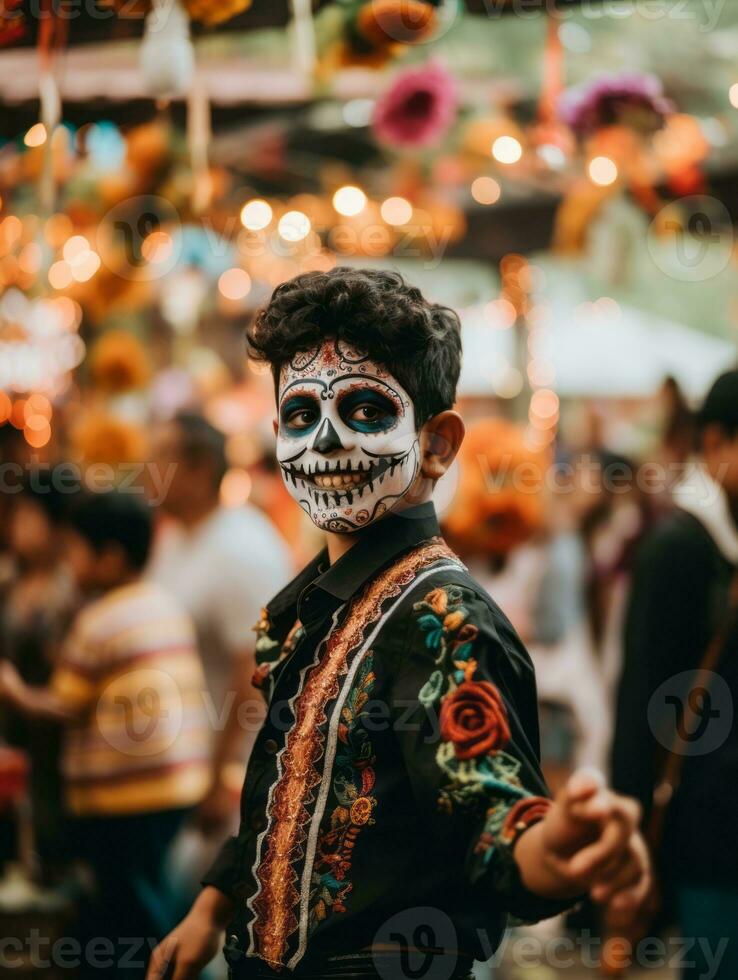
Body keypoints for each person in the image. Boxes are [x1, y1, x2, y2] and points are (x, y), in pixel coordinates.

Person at [149, 268, 650, 980]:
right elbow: (279, 791)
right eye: (299, 416)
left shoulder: (442, 619)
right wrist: (212, 909)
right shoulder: (312, 604)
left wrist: (560, 844)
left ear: (438, 444)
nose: (322, 442)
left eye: (362, 410)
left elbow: (494, 821)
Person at [0, 490, 211, 976]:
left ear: (110, 557)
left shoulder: (99, 620)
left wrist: (13, 691)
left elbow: (63, 705)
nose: (69, 562)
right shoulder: (162, 603)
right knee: (143, 897)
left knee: (135, 909)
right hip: (174, 786)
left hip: (124, 798)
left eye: (75, 550)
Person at [612, 369, 738, 980]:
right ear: (716, 444)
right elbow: (642, 702)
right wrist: (630, 848)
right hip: (707, 840)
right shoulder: (681, 547)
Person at [147, 413, 292, 835]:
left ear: (200, 468)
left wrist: (217, 778)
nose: (146, 469)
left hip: (232, 779)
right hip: (176, 769)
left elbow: (253, 668)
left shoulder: (241, 545)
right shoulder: (174, 537)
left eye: (160, 457)